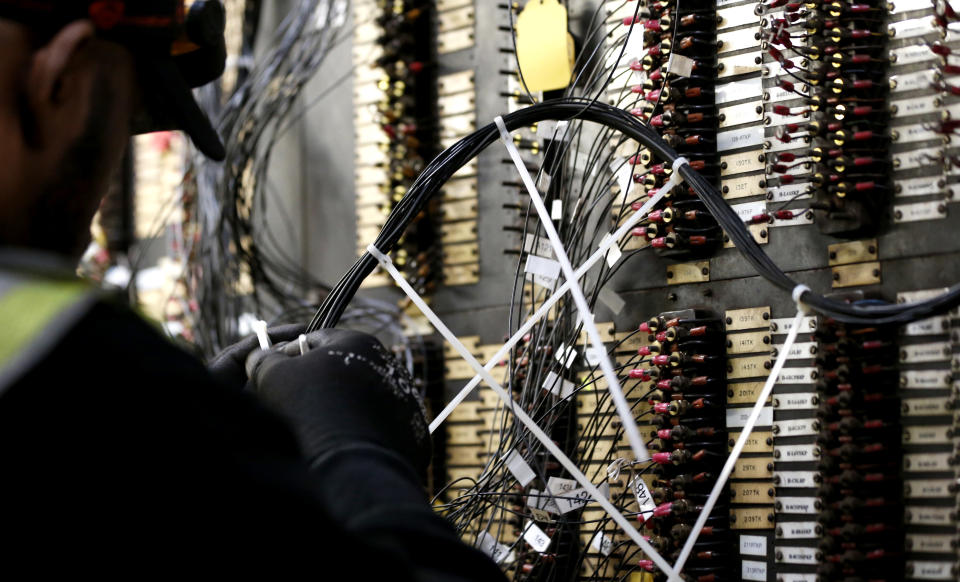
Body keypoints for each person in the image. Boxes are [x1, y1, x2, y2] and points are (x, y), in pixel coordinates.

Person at [0, 1, 506, 576]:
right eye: (121, 124)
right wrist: (352, 450)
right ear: (62, 79)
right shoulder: (82, 373)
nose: (100, 194)